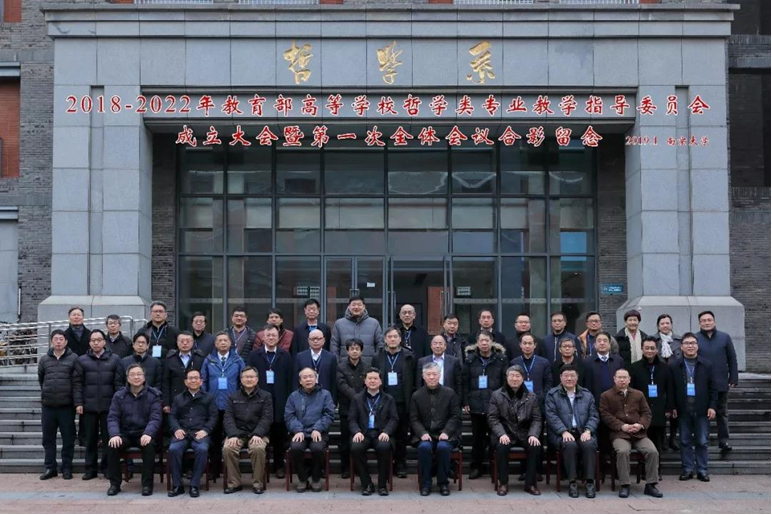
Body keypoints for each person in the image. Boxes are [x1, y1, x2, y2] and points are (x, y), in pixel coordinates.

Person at [599, 369, 663, 498]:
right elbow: (605, 415)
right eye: (619, 377)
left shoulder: (638, 394)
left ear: (629, 379)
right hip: (619, 434)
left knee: (652, 451)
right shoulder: (606, 395)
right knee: (622, 451)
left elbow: (646, 413)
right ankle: (625, 484)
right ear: (614, 379)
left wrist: (640, 425)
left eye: (624, 377)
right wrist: (622, 426)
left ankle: (651, 484)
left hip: (638, 433)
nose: (622, 380)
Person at [105, 364, 162, 496]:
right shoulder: (119, 395)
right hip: (125, 433)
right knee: (112, 446)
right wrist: (114, 434)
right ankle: (115, 484)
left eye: (139, 374)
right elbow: (112, 417)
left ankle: (147, 485)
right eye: (133, 375)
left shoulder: (153, 395)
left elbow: (155, 418)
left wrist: (148, 433)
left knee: (149, 446)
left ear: (144, 377)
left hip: (143, 433)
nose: (136, 377)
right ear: (127, 378)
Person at [544, 364, 599, 499]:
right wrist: (563, 431)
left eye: (572, 376)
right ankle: (572, 482)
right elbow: (551, 416)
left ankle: (589, 482)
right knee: (570, 445)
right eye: (566, 376)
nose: (569, 378)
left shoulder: (587, 394)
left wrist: (588, 430)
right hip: (561, 433)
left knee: (589, 444)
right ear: (560, 377)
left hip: (583, 432)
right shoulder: (552, 394)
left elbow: (594, 415)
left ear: (577, 377)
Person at [669, 332, 718, 482]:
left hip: (701, 409)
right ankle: (687, 469)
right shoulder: (674, 366)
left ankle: (702, 470)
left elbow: (713, 388)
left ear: (697, 346)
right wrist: (672, 406)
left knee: (702, 441)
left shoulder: (707, 364)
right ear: (681, 347)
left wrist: (712, 406)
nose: (690, 346)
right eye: (687, 343)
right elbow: (671, 389)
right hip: (683, 409)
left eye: (693, 343)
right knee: (684, 441)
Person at [487, 365, 543, 496]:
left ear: (523, 378)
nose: (514, 379)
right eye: (511, 376)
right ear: (507, 378)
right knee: (502, 446)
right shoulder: (497, 395)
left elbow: (537, 419)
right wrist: (501, 434)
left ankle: (530, 484)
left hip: (524, 433)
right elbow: (493, 418)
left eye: (517, 376)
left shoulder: (531, 396)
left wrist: (533, 435)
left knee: (535, 446)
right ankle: (503, 483)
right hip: (505, 433)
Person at [73, 329, 121, 480]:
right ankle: (90, 469)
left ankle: (107, 467)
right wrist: (78, 403)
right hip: (89, 406)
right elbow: (77, 384)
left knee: (108, 439)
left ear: (104, 342)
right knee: (90, 440)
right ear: (89, 343)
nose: (96, 343)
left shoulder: (114, 359)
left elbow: (118, 383)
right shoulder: (82, 360)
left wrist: (118, 403)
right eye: (93, 340)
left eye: (99, 340)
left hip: (109, 406)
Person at [247, 324, 293, 479]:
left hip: (280, 399)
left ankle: (279, 466)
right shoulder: (255, 355)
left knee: (279, 435)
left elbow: (290, 379)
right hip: (259, 400)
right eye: (268, 335)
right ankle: (260, 468)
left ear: (278, 338)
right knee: (261, 433)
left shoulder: (285, 355)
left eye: (274, 335)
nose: (271, 338)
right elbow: (248, 378)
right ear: (263, 337)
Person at [410, 362, 461, 497]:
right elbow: (414, 419)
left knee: (443, 447)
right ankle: (426, 483)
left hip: (445, 434)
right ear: (423, 376)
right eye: (428, 374)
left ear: (439, 375)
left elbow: (455, 416)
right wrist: (422, 433)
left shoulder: (450, 393)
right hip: (425, 434)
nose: (431, 377)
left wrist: (447, 431)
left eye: (434, 374)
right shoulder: (417, 395)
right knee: (424, 447)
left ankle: (443, 483)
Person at [462, 330, 507, 479]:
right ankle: (476, 467)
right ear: (477, 342)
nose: (484, 343)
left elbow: (504, 382)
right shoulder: (470, 359)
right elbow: (465, 382)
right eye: (481, 340)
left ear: (492, 342)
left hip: (495, 405)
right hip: (476, 404)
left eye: (487, 340)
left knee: (495, 438)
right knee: (477, 439)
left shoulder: (501, 359)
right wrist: (466, 401)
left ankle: (495, 467)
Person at [222, 366, 274, 495]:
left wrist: (258, 434)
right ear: (241, 379)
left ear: (257, 379)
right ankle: (234, 483)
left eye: (251, 377)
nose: (249, 379)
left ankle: (257, 483)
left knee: (258, 448)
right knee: (228, 448)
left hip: (258, 433)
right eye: (246, 377)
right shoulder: (232, 396)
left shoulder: (266, 396)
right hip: (237, 433)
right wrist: (233, 435)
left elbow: (267, 418)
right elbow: (228, 418)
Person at [372, 325, 415, 478]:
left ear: (400, 339)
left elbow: (414, 379)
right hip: (383, 402)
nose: (392, 339)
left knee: (402, 435)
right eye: (389, 337)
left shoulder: (409, 356)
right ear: (385, 339)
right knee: (385, 434)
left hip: (402, 401)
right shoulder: (378, 356)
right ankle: (386, 463)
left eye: (395, 336)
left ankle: (401, 464)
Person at [201, 331, 245, 476]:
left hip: (232, 405)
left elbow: (243, 381)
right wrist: (205, 399)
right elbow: (203, 381)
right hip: (213, 404)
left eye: (225, 340)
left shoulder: (237, 360)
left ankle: (231, 471)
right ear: (215, 344)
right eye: (219, 340)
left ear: (230, 343)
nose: (223, 343)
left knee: (232, 437)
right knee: (214, 438)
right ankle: (215, 469)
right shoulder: (209, 360)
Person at [349, 367, 399, 496]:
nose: (372, 381)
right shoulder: (357, 398)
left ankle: (382, 485)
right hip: (363, 434)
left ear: (380, 381)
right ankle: (367, 483)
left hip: (381, 433)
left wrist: (386, 432)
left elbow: (394, 419)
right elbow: (352, 419)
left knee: (384, 447)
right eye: (369, 378)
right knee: (355, 448)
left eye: (375, 378)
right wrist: (357, 431)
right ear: (365, 381)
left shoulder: (388, 399)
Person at [168, 369, 217, 497]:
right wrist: (176, 429)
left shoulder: (209, 398)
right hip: (182, 433)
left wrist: (206, 430)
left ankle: (194, 485)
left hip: (200, 433)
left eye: (196, 378)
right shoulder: (178, 398)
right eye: (190, 378)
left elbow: (213, 417)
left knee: (202, 449)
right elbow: (172, 416)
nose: (193, 380)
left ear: (201, 381)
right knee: (173, 449)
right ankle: (177, 485)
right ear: (185, 382)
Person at [285, 368, 336, 493]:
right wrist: (298, 430)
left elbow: (329, 415)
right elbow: (289, 416)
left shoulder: (325, 394)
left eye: (311, 376)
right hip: (300, 432)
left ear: (316, 378)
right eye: (305, 377)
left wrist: (318, 428)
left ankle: (316, 478)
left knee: (317, 448)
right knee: (295, 448)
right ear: (300, 381)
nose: (308, 379)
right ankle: (303, 479)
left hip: (319, 433)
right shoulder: (293, 396)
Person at [38, 329, 78, 481]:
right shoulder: (44, 360)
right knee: (48, 439)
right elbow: (41, 379)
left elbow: (76, 382)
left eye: (61, 339)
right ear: (51, 341)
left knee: (68, 439)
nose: (59, 341)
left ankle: (67, 468)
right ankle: (50, 467)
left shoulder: (74, 359)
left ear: (66, 342)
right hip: (48, 406)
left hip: (66, 406)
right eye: (56, 339)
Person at [696, 311, 738, 453]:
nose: (707, 323)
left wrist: (733, 377)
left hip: (721, 382)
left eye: (709, 320)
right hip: (701, 384)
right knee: (702, 413)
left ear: (714, 321)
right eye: (703, 320)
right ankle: (703, 439)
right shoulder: (695, 339)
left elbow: (732, 358)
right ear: (699, 323)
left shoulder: (724, 337)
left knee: (722, 413)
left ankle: (723, 440)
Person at [630, 337, 674, 462]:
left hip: (659, 410)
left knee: (658, 443)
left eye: (652, 348)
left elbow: (670, 389)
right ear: (642, 349)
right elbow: (631, 391)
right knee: (642, 443)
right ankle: (643, 468)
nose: (649, 351)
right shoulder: (634, 368)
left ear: (657, 350)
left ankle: (656, 468)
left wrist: (669, 408)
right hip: (641, 411)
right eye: (647, 348)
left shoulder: (665, 368)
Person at [337, 338, 368, 480]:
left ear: (361, 351)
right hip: (346, 408)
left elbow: (370, 383)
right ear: (347, 351)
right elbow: (341, 385)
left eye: (357, 349)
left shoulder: (367, 366)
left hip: (363, 409)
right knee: (345, 441)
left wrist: (360, 398)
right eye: (352, 349)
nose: (354, 351)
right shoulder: (340, 366)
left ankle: (358, 467)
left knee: (361, 439)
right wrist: (357, 397)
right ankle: (345, 468)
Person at [652, 314, 681, 450]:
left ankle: (673, 438)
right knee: (661, 410)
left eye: (667, 323)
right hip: (659, 380)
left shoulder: (679, 341)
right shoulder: (653, 341)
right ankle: (662, 438)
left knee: (676, 409)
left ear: (671, 325)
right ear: (658, 326)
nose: (665, 325)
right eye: (662, 323)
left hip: (676, 379)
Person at [162, 331, 206, 414]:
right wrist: (166, 403)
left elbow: (204, 379)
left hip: (196, 398)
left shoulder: (199, 358)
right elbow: (165, 382)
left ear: (193, 342)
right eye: (182, 341)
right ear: (177, 342)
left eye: (188, 341)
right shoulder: (170, 358)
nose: (185, 343)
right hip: (175, 398)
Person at [330, 296, 384, 360]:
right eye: (353, 305)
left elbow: (380, 345)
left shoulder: (374, 323)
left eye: (359, 305)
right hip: (344, 364)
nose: (356, 307)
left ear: (364, 307)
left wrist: (377, 362)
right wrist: (337, 362)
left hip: (369, 363)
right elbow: (334, 346)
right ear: (349, 307)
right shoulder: (339, 323)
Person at [294, 329, 337, 403]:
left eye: (318, 339)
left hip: (325, 397)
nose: (316, 341)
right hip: (305, 396)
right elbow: (296, 380)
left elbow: (333, 381)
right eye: (313, 339)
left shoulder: (331, 357)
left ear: (323, 340)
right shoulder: (300, 356)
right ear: (308, 340)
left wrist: (333, 400)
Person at [582, 331, 624, 407]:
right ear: (594, 345)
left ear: (610, 344)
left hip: (615, 403)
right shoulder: (587, 362)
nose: (602, 343)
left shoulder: (618, 361)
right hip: (594, 403)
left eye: (605, 341)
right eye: (599, 341)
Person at [509, 332, 552, 403]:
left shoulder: (544, 362)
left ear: (535, 345)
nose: (527, 346)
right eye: (525, 343)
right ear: (520, 345)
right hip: (519, 401)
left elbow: (548, 383)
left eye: (530, 343)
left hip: (539, 401)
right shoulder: (514, 362)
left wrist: (542, 397)